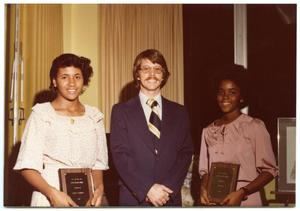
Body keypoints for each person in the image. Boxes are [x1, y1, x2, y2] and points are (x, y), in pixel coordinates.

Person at [13, 53, 109, 207]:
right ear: (54, 81)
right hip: (50, 197)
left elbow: (98, 165)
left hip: (89, 200)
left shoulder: (94, 116)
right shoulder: (42, 114)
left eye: (77, 77)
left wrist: (99, 188)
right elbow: (27, 167)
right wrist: (52, 194)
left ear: (83, 80)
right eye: (64, 77)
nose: (72, 83)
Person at [110, 49, 194, 206]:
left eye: (157, 69)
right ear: (137, 74)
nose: (152, 74)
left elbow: (185, 152)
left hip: (168, 197)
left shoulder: (180, 112)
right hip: (134, 198)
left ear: (164, 75)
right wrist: (147, 189)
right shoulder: (120, 111)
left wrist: (168, 188)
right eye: (146, 68)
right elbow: (120, 155)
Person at [198, 64, 278, 206]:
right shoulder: (208, 131)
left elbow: (269, 171)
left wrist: (242, 192)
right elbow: (205, 171)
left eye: (232, 92)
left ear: (242, 97)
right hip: (215, 202)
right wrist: (203, 189)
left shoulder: (254, 127)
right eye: (221, 92)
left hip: (247, 200)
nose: (225, 97)